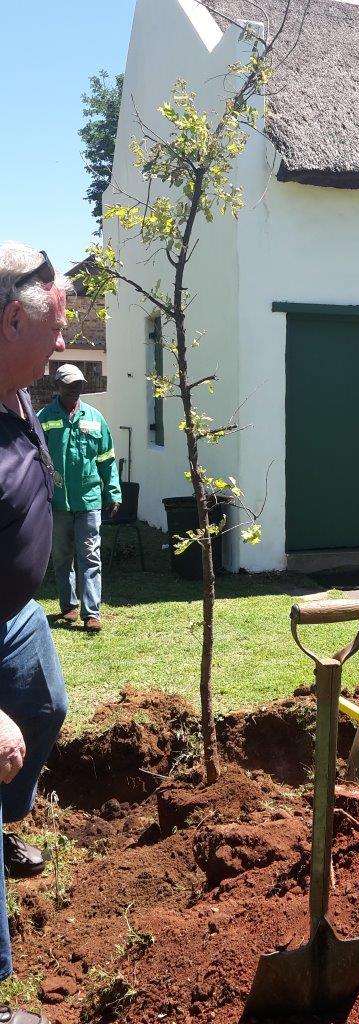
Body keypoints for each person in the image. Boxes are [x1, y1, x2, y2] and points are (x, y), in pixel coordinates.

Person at [0, 241, 70, 1022]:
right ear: (10, 319)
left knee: (45, 709)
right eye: (53, 325)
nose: (63, 342)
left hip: (15, 616)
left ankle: (5, 827)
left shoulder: (16, 385)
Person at [38, 365, 121, 633]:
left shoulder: (95, 418)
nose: (76, 389)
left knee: (90, 556)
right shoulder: (43, 418)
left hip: (89, 500)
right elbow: (35, 460)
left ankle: (92, 612)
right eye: (70, 385)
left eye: (79, 385)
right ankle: (68, 606)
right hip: (58, 503)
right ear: (57, 386)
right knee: (62, 557)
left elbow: (106, 459)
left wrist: (113, 492)